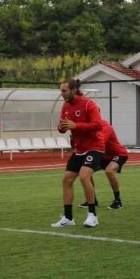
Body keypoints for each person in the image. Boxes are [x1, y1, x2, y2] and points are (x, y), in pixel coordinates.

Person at [52, 79, 104, 228]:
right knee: (67, 179)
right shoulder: (66, 105)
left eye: (64, 91)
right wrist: (62, 127)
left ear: (73, 90)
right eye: (61, 90)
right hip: (79, 148)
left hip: (94, 146)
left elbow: (98, 125)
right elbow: (63, 126)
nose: (61, 94)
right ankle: (68, 218)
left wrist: (76, 125)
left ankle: (92, 215)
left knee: (84, 175)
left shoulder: (89, 104)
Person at [99, 119, 128, 209]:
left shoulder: (105, 126)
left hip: (118, 154)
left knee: (109, 171)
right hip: (104, 157)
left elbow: (101, 142)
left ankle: (118, 201)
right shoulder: (88, 128)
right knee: (85, 170)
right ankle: (92, 200)